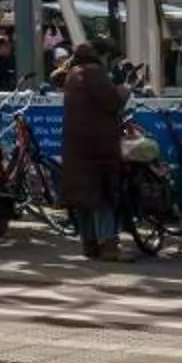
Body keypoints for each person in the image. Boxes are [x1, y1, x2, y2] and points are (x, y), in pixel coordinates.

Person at [61, 48, 130, 260]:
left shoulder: (71, 77)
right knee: (104, 197)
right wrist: (124, 91)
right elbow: (112, 102)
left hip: (75, 146)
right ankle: (109, 246)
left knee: (84, 200)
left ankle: (89, 245)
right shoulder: (94, 73)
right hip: (98, 145)